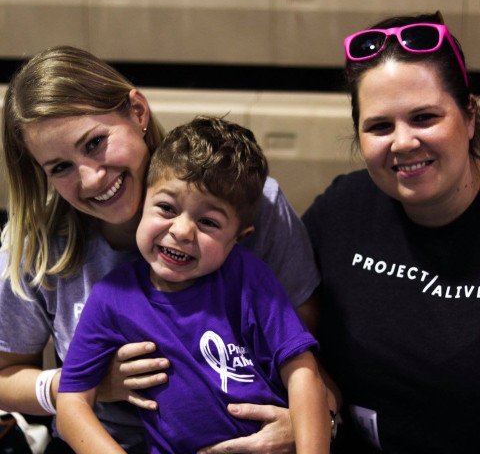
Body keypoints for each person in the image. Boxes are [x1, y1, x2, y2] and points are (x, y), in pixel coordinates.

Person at [0, 45, 329, 453]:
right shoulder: (39, 245)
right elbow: (13, 379)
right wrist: (91, 383)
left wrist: (307, 422)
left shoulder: (252, 202)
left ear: (137, 112)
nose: (90, 179)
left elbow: (303, 347)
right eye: (60, 167)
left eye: (94, 143)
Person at [55, 116, 330, 454]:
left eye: (208, 222)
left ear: (238, 239)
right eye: (167, 208)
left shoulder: (250, 278)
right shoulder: (111, 297)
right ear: (142, 206)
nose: (182, 231)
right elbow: (71, 404)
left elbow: (303, 374)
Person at [302, 11, 480, 453]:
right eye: (380, 126)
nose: (402, 142)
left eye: (424, 118)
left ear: (470, 116)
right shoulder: (343, 208)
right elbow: (277, 330)